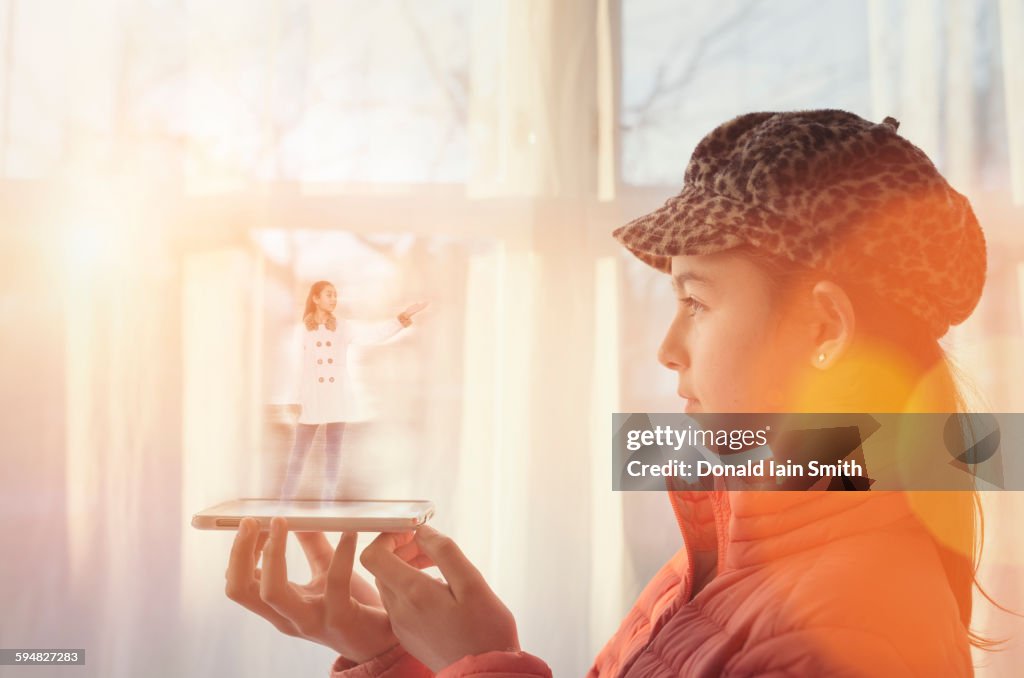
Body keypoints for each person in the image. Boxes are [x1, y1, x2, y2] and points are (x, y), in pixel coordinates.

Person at [227, 110, 990, 676]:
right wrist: (399, 651)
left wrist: (483, 663)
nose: (667, 349)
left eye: (696, 301)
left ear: (826, 324)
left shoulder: (854, 626)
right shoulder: (725, 557)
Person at [279, 280, 427, 500]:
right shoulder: (302, 331)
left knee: (333, 451)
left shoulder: (343, 327)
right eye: (329, 295)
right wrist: (293, 399)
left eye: (335, 295)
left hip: (338, 394)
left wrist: (402, 317)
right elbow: (294, 367)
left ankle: (327, 500)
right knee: (300, 451)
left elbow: (374, 335)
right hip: (312, 396)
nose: (334, 299)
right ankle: (285, 499)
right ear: (315, 298)